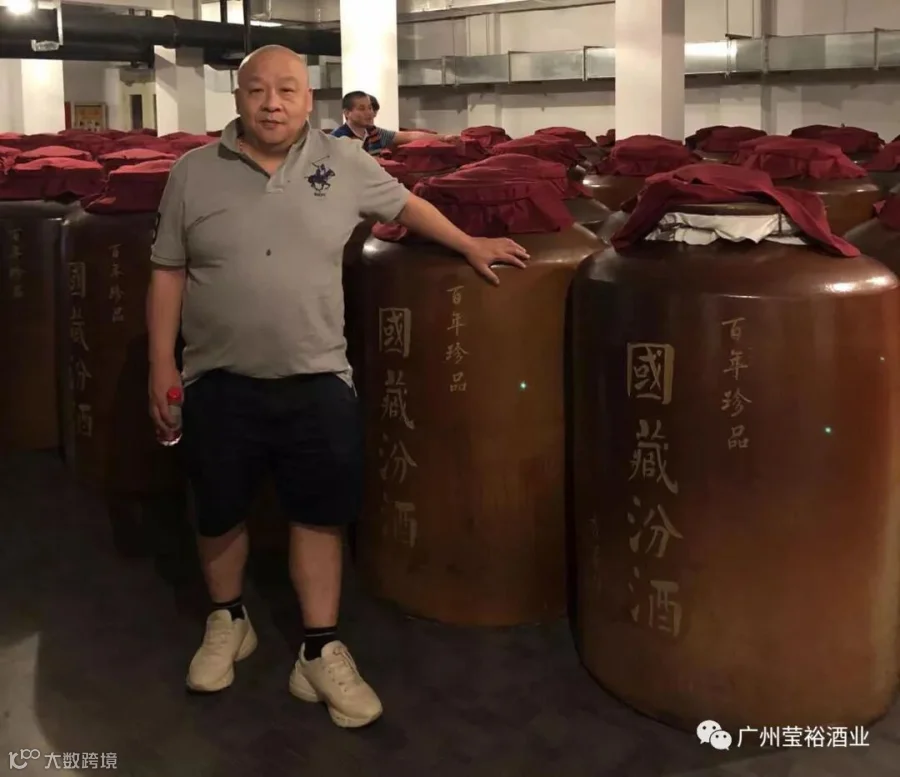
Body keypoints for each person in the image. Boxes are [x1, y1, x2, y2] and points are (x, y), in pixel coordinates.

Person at [146, 44, 528, 729]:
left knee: (319, 514)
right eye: (257, 90)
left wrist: (469, 243)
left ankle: (319, 649)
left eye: (287, 89)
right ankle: (228, 618)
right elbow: (168, 271)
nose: (272, 103)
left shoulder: (344, 161)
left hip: (317, 374)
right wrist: (160, 365)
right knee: (218, 510)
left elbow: (407, 205)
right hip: (216, 376)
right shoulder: (192, 173)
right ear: (238, 98)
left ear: (308, 99)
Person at [331, 90, 453, 156]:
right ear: (347, 113)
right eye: (362, 109)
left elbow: (410, 136)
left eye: (370, 108)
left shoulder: (374, 132)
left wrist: (445, 138)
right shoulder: (336, 138)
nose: (369, 113)